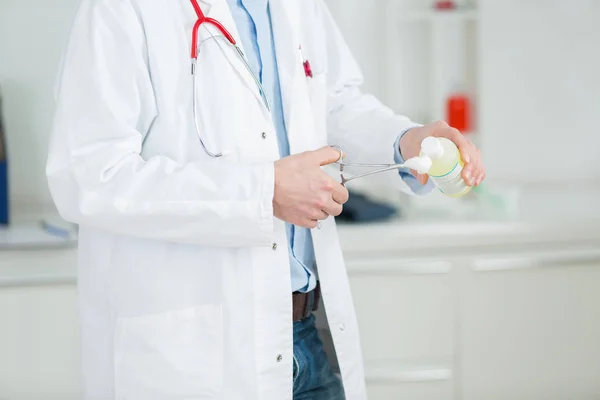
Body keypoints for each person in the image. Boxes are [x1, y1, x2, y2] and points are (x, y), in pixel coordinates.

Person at [46, 0, 485, 399]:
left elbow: (332, 102)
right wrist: (261, 192)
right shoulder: (118, 9)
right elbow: (90, 175)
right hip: (196, 355)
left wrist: (406, 141)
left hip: (307, 339)